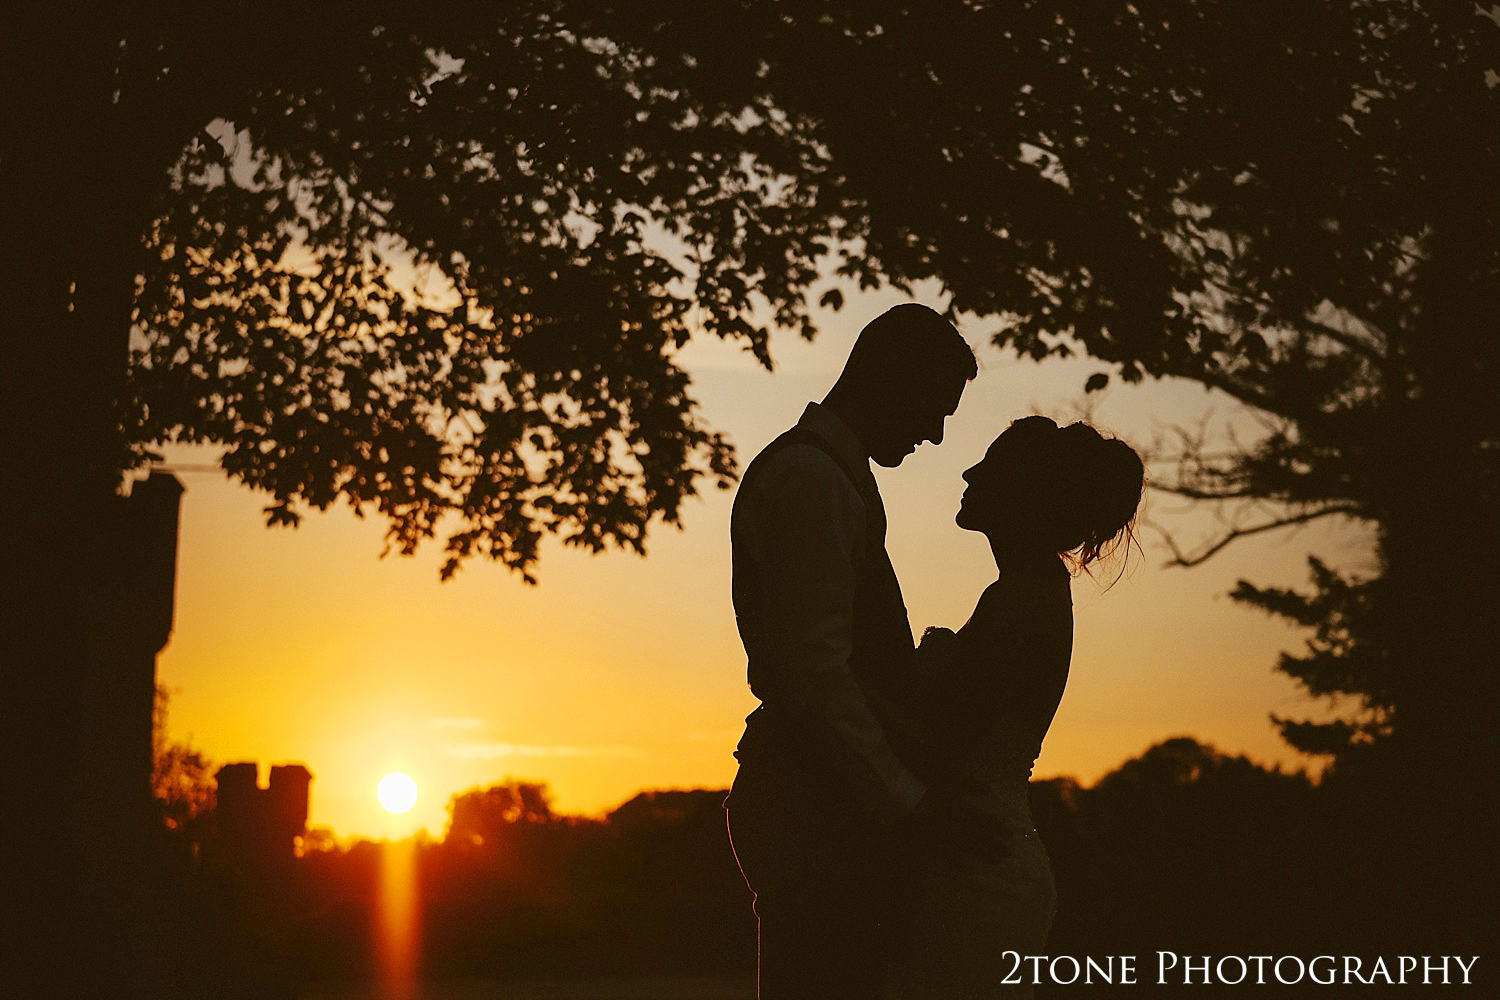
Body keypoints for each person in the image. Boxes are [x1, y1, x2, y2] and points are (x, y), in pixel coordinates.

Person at [724, 303, 1004, 999]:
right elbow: (813, 674)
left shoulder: (836, 477)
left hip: (828, 800)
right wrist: (909, 801)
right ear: (889, 380)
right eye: (933, 409)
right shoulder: (812, 481)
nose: (936, 437)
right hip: (815, 806)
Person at [884, 415, 1145, 998]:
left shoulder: (1022, 601)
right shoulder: (1027, 593)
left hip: (977, 865)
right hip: (985, 853)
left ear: (1025, 494)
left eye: (991, 466)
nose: (970, 472)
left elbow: (943, 735)